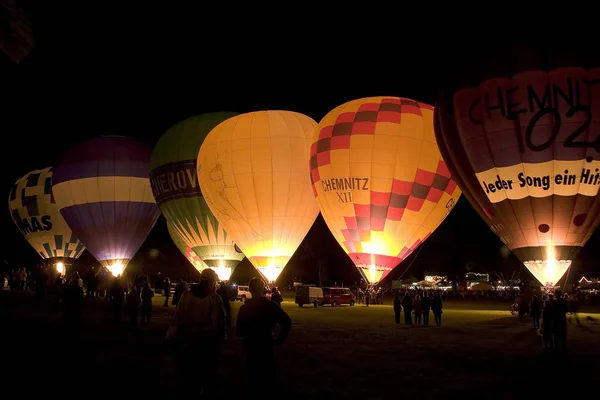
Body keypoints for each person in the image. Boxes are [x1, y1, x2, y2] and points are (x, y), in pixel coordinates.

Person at [167, 268, 226, 397]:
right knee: (206, 374)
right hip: (206, 343)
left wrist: (175, 335)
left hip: (188, 341)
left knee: (189, 374)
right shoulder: (214, 298)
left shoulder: (186, 295)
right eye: (214, 282)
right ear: (210, 282)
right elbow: (218, 323)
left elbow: (178, 317)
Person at [237, 277, 291, 394]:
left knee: (252, 377)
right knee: (268, 377)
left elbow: (239, 331)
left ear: (250, 289)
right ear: (263, 289)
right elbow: (286, 322)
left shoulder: (244, 309)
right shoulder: (271, 306)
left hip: (250, 347)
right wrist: (279, 340)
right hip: (266, 345)